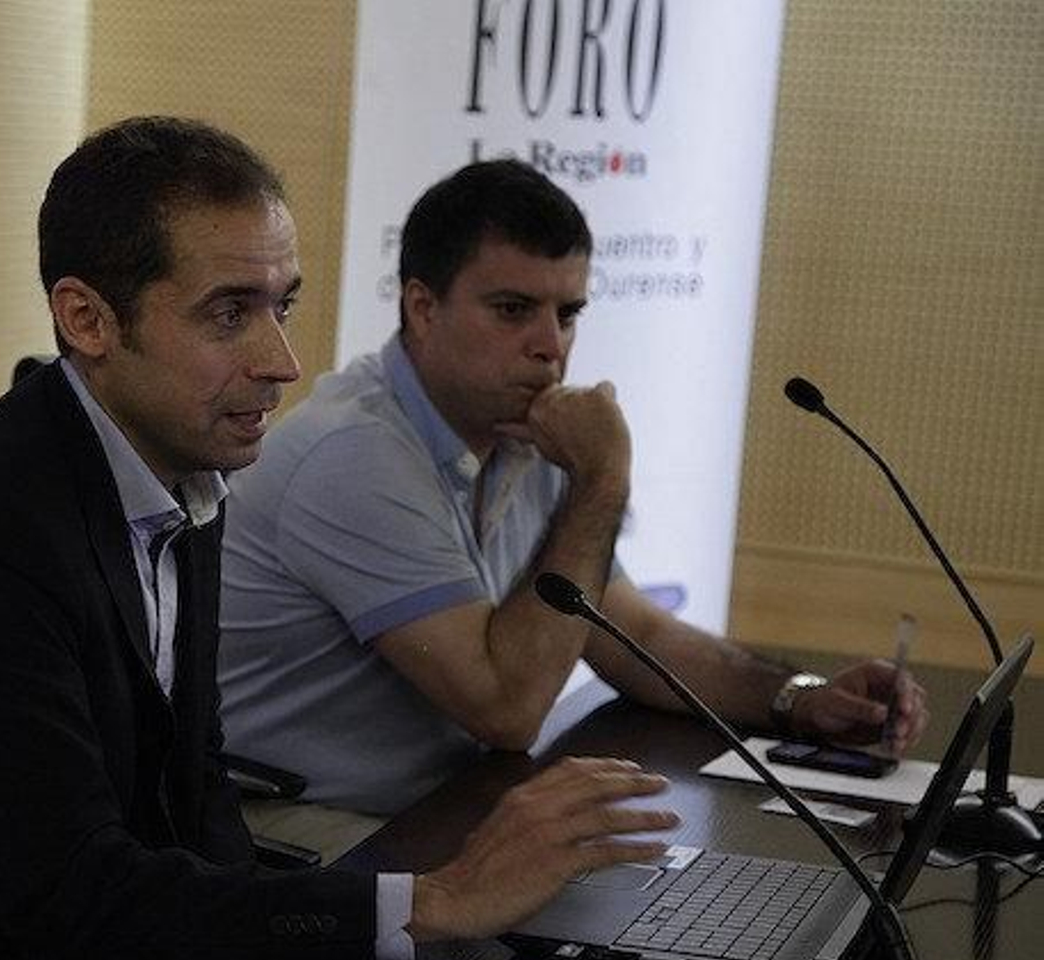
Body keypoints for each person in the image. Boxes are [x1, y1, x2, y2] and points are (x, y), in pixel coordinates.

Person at [0, 118, 679, 960]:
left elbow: (194, 796)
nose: (282, 360)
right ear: (87, 320)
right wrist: (432, 901)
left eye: (283, 305)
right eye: (230, 313)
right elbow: (75, 895)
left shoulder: (180, 471)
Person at [217, 158, 928, 848]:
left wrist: (801, 698)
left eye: (568, 313)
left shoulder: (527, 431)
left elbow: (633, 632)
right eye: (513, 310)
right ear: (423, 308)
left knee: (645, 878)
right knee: (588, 899)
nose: (550, 346)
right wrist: (602, 479)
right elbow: (506, 708)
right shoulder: (353, 455)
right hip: (291, 824)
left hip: (440, 800)